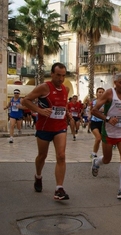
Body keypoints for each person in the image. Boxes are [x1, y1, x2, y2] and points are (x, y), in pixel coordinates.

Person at [21, 62, 70, 200]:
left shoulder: (65, 89)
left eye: (63, 76)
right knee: (42, 156)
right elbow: (26, 100)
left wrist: (67, 114)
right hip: (44, 127)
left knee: (61, 155)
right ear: (52, 74)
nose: (61, 79)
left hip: (60, 127)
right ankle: (38, 175)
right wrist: (40, 110)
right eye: (58, 75)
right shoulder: (44, 87)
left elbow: (62, 105)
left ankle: (59, 189)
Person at [90, 73, 121, 199]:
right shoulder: (109, 93)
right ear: (115, 83)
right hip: (109, 131)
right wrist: (107, 118)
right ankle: (96, 162)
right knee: (107, 159)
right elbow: (94, 110)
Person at [89, 87, 105, 159]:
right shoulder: (94, 102)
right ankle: (94, 154)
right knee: (98, 138)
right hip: (94, 122)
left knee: (103, 140)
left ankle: (104, 154)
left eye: (102, 92)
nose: (101, 93)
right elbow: (90, 110)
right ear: (96, 93)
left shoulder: (106, 102)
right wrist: (89, 116)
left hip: (103, 123)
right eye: (99, 92)